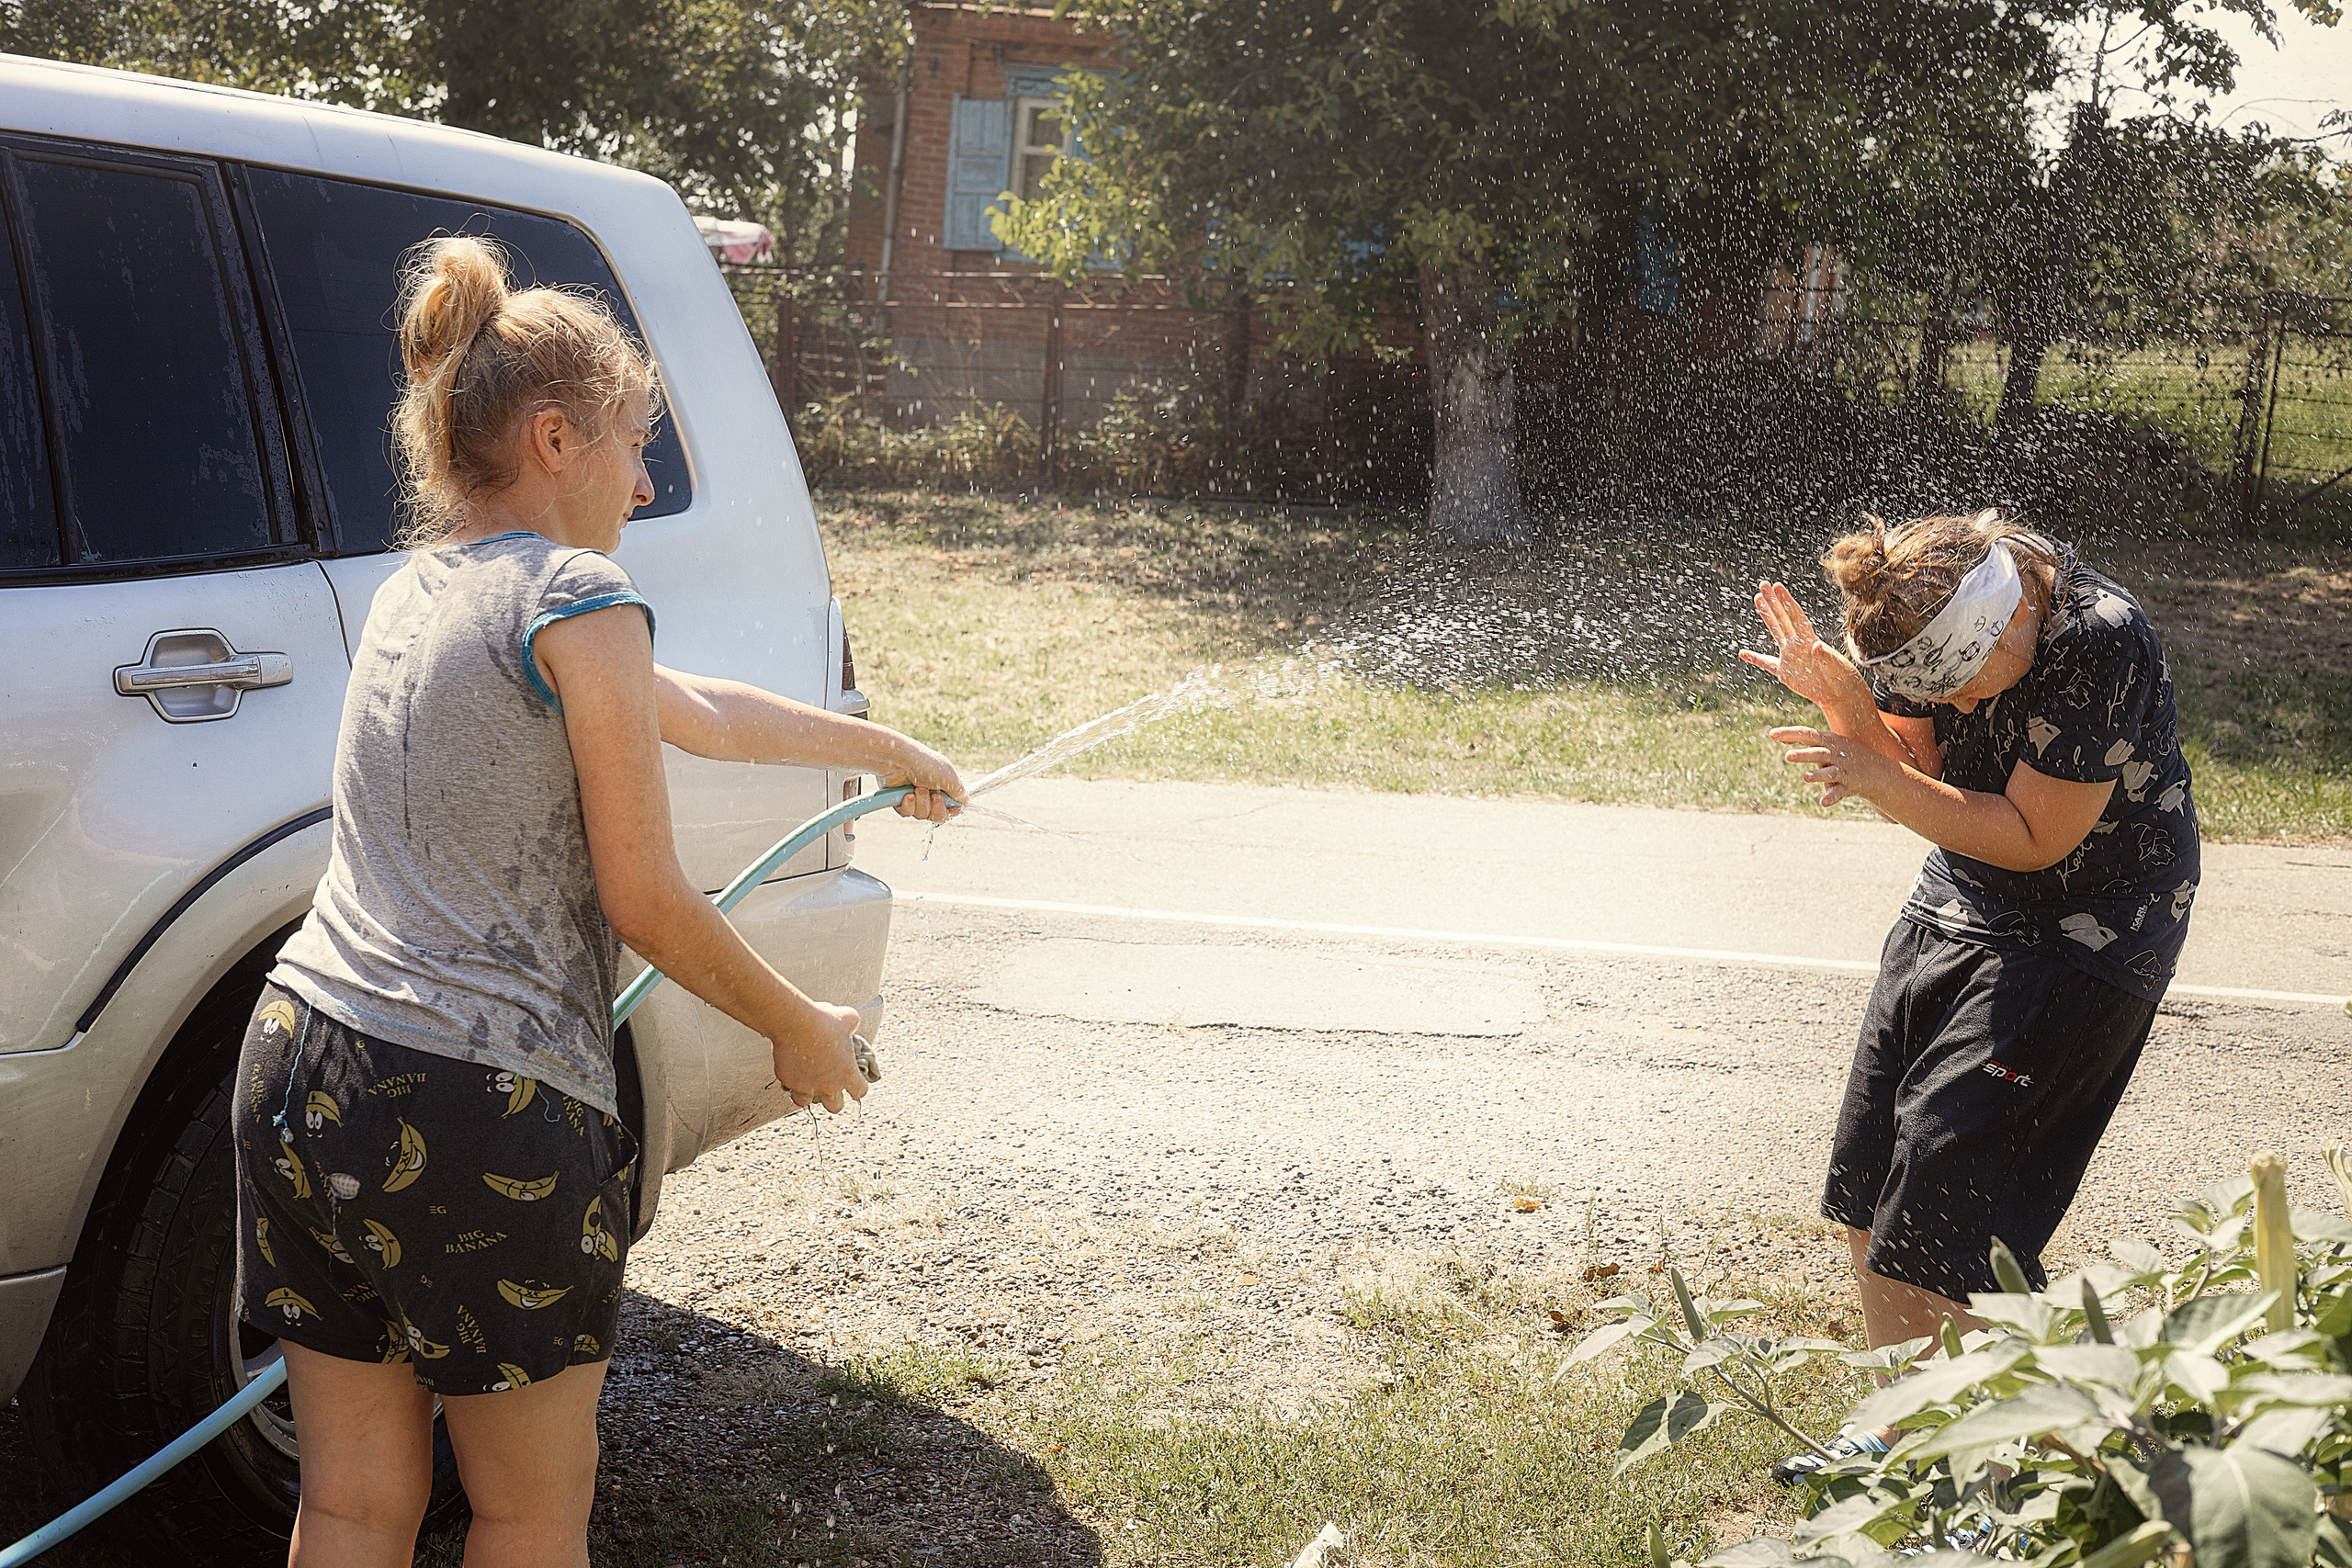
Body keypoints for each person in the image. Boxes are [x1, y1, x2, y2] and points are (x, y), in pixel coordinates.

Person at [234, 234, 963, 1568]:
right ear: (557, 436)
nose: (643, 481)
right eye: (638, 445)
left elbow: (703, 713)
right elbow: (646, 895)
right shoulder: (579, 590)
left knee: (348, 1502)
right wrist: (795, 1022)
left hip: (300, 1060)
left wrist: (884, 748)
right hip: (473, 1100)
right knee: (525, 1511)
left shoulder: (419, 588)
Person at [1742, 508, 2196, 1481]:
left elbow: (2035, 835)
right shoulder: (1927, 623)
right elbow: (1926, 768)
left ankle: (1988, 1474)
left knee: (1955, 1191)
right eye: (1928, 688)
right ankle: (1901, 1427)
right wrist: (1854, 714)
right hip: (1961, 895)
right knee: (1870, 1173)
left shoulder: (2095, 640)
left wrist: (1870, 774)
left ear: (2009, 618)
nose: (1952, 703)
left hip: (2087, 928)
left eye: (1960, 681)